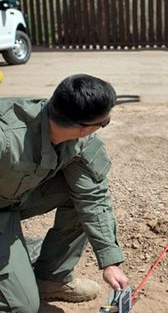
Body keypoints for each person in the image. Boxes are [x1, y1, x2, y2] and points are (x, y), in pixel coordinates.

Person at [0, 74, 129, 312]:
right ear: (83, 128)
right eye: (104, 122)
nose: (101, 128)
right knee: (21, 307)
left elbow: (93, 197)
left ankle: (52, 279)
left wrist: (110, 261)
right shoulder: (6, 137)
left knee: (77, 193)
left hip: (14, 199)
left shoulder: (79, 140)